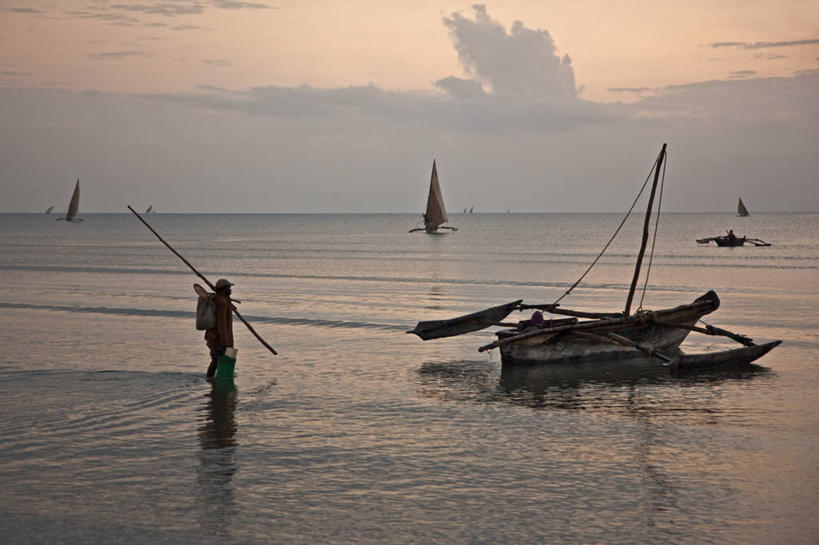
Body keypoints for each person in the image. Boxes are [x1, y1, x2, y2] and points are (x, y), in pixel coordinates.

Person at [205, 278, 235, 378]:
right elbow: (221, 324)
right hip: (218, 338)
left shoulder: (223, 299)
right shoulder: (221, 301)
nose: (230, 290)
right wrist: (225, 342)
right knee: (216, 360)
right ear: (223, 289)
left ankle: (213, 380)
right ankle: (210, 379)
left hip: (218, 338)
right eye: (228, 288)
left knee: (217, 360)